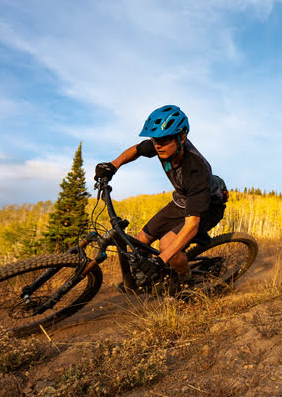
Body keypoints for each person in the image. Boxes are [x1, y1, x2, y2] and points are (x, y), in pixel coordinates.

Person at [94, 105, 226, 287]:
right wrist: (113, 166)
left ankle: (186, 283)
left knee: (167, 246)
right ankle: (152, 279)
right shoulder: (161, 146)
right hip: (181, 201)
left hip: (209, 207)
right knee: (141, 241)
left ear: (181, 137)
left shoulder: (195, 170)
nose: (158, 145)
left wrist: (160, 260)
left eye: (163, 140)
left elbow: (192, 225)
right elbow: (137, 150)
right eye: (155, 140)